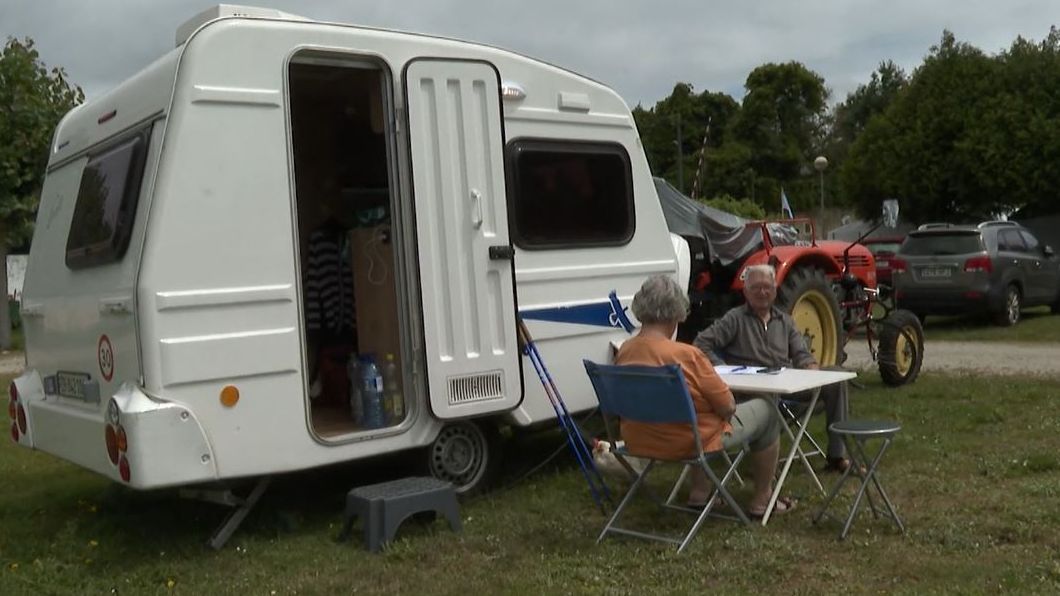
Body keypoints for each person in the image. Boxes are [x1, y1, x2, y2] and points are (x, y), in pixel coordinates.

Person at [614, 275, 795, 517]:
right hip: (687, 442)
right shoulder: (687, 355)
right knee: (767, 411)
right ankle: (763, 499)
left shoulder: (625, 351)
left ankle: (700, 492)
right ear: (677, 313)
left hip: (639, 440)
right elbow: (728, 407)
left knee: (700, 415)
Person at [693, 264, 852, 472]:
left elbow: (802, 354)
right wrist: (723, 368)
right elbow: (700, 344)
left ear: (775, 291)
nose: (762, 292)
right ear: (746, 292)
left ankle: (837, 455)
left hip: (786, 387)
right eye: (756, 287)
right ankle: (767, 472)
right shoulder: (734, 319)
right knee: (765, 397)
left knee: (837, 378)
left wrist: (810, 367)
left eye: (767, 287)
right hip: (751, 392)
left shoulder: (785, 321)